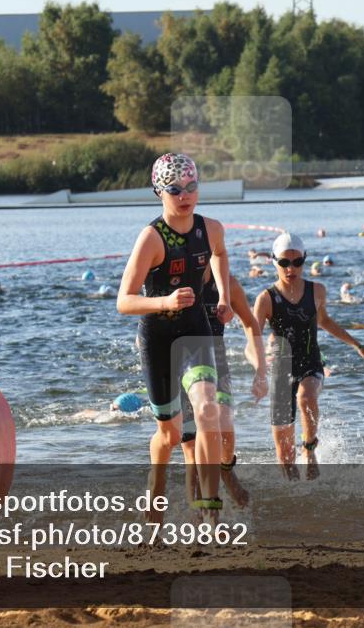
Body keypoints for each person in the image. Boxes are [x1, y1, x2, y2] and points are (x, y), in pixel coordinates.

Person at [117, 153, 233, 520]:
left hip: (195, 329)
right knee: (169, 435)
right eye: (175, 189)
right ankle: (156, 489)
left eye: (192, 187)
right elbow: (124, 301)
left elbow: (219, 254)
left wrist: (225, 297)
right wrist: (164, 300)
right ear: (158, 192)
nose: (185, 195)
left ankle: (209, 508)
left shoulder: (211, 228)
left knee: (206, 410)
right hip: (159, 338)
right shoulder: (151, 238)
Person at [253, 233, 364, 481]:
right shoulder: (266, 299)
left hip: (310, 362)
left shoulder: (317, 290)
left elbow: (325, 321)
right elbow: (253, 337)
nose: (291, 269)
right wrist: (258, 369)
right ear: (274, 262)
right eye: (284, 263)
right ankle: (295, 501)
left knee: (306, 396)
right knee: (284, 457)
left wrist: (357, 346)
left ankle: (310, 449)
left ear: (304, 260)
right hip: (281, 370)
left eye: (297, 262)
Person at [180, 273, 268, 509]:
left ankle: (226, 469)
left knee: (225, 431)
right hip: (180, 360)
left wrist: (261, 370)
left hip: (216, 361)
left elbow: (250, 323)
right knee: (191, 448)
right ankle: (199, 519)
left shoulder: (228, 285)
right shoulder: (176, 278)